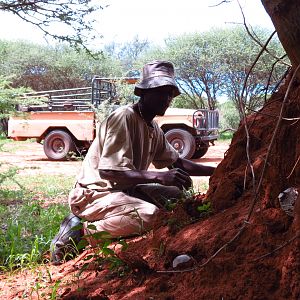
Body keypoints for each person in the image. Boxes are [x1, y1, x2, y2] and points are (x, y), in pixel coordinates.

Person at [50, 60, 215, 264]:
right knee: (149, 215)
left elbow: (177, 163)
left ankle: (115, 216)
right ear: (144, 92)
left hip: (125, 189)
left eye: (170, 93)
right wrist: (159, 176)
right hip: (95, 193)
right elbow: (110, 173)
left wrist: (216, 171)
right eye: (162, 92)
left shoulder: (153, 127)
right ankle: (79, 233)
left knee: (176, 198)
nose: (167, 99)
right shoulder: (124, 117)